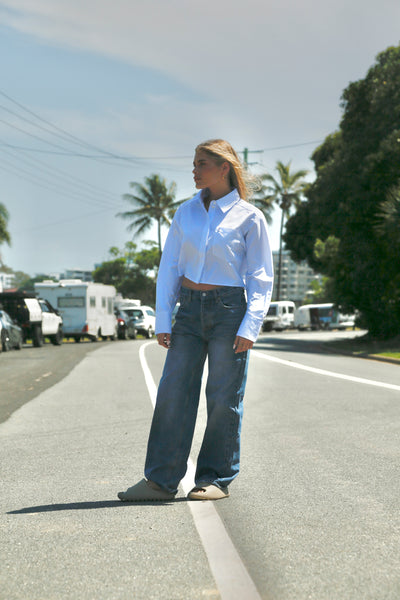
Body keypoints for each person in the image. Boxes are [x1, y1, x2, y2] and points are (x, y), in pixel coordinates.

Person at [118, 139, 273, 502]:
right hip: (187, 311)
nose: (194, 169)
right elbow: (169, 267)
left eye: (201, 163)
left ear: (224, 168)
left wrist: (250, 327)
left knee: (223, 398)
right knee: (173, 394)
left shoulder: (249, 217)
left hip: (229, 312)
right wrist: (163, 319)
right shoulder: (185, 212)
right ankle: (160, 481)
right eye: (194, 162)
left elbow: (261, 278)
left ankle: (215, 478)